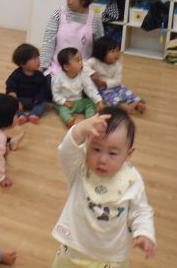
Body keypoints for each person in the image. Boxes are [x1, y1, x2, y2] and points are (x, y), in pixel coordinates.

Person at [52, 108, 156, 267]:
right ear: (87, 144)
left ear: (128, 154)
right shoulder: (79, 168)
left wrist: (144, 232)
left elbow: (140, 210)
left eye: (112, 153)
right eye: (96, 149)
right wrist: (79, 129)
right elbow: (66, 151)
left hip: (110, 257)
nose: (102, 159)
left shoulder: (131, 179)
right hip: (74, 250)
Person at [40, 0, 104, 77]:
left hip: (83, 71)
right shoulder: (58, 13)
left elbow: (99, 49)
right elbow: (48, 42)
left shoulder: (95, 19)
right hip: (57, 69)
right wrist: (43, 67)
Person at [86, 37, 145, 115]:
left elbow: (117, 80)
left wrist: (104, 83)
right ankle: (125, 108)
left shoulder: (117, 65)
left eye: (117, 51)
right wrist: (92, 73)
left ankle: (137, 103)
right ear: (101, 53)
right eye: (112, 51)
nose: (116, 54)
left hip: (114, 85)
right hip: (102, 89)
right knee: (111, 97)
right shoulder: (94, 61)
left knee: (125, 91)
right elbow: (84, 65)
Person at [52, 48, 103, 128]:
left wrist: (98, 101)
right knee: (62, 109)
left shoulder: (83, 75)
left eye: (81, 60)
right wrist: (63, 102)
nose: (81, 63)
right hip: (66, 103)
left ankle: (90, 117)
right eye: (77, 60)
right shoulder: (58, 78)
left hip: (79, 101)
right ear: (66, 67)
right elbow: (55, 94)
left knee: (90, 103)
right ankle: (69, 120)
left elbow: (90, 89)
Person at [5, 44, 48, 125]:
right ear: (22, 63)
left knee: (43, 103)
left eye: (38, 57)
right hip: (20, 99)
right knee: (10, 103)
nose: (38, 60)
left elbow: (43, 89)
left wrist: (39, 97)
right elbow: (11, 88)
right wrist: (15, 101)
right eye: (34, 58)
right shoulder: (16, 75)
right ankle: (21, 115)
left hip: (34, 100)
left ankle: (34, 114)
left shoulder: (40, 75)